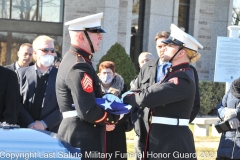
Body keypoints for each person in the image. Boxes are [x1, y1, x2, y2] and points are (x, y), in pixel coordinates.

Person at [122, 24, 203, 160]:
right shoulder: (175, 73)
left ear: (182, 52)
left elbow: (147, 97)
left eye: (170, 45)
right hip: (163, 138)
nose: (164, 47)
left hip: (172, 143)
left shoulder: (182, 77)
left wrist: (126, 96)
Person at [56, 12, 120, 160]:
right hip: (81, 137)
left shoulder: (78, 60)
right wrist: (112, 117)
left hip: (79, 132)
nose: (100, 37)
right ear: (81, 37)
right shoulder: (79, 65)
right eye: (95, 33)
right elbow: (87, 111)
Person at [16, 35, 62, 133]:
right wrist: (30, 123)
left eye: (52, 50)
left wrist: (44, 124)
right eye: (45, 50)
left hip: (51, 132)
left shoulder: (61, 76)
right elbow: (15, 102)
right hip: (24, 130)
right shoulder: (21, 74)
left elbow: (64, 106)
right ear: (35, 52)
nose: (49, 53)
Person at [97, 61, 129, 160]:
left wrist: (113, 123)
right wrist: (104, 124)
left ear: (114, 74)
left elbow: (127, 108)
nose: (106, 75)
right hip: (100, 127)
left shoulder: (123, 88)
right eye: (104, 73)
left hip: (117, 128)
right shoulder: (94, 88)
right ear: (99, 74)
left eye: (109, 73)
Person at [216, 77, 240, 160]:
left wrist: (236, 113)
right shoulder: (233, 88)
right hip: (225, 145)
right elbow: (219, 108)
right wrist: (226, 114)